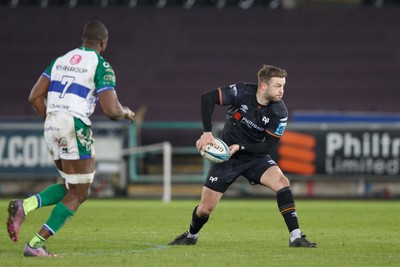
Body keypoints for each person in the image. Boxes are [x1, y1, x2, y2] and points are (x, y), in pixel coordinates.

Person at [6, 20, 135, 257]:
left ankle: (25, 206)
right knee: (80, 192)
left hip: (51, 123)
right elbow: (111, 110)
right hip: (73, 124)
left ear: (83, 39)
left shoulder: (60, 60)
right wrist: (126, 112)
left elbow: (35, 97)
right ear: (103, 42)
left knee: (69, 185)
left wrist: (55, 120)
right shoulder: (101, 65)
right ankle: (35, 244)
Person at [169, 65, 316, 248]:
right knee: (205, 209)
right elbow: (207, 98)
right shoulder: (241, 92)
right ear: (263, 85)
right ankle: (191, 235)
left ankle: (296, 237)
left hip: (255, 156)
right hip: (227, 158)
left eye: (283, 86)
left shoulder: (279, 112)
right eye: (277, 86)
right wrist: (207, 133)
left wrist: (240, 146)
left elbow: (267, 146)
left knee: (282, 182)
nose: (282, 91)